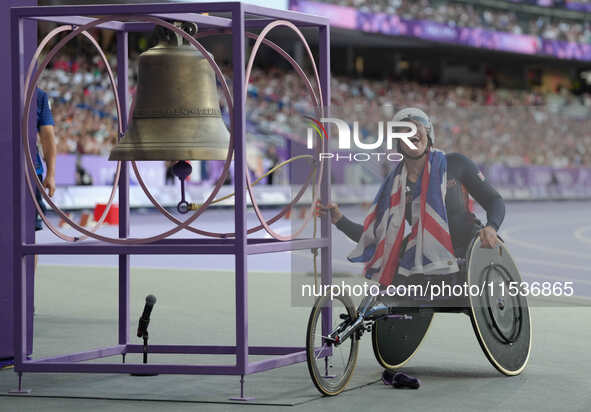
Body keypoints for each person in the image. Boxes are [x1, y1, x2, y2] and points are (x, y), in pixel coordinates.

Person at [317, 107, 504, 288]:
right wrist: (338, 219)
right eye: (404, 131)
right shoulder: (393, 187)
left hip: (469, 249)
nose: (411, 133)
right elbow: (375, 238)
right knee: (393, 277)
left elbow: (494, 200)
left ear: (428, 134)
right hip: (426, 260)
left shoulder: (455, 164)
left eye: (416, 127)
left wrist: (492, 227)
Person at [34, 88, 57, 270]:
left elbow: (47, 135)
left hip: (29, 173)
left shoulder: (38, 95)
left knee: (27, 237)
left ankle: (25, 294)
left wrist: (50, 173)